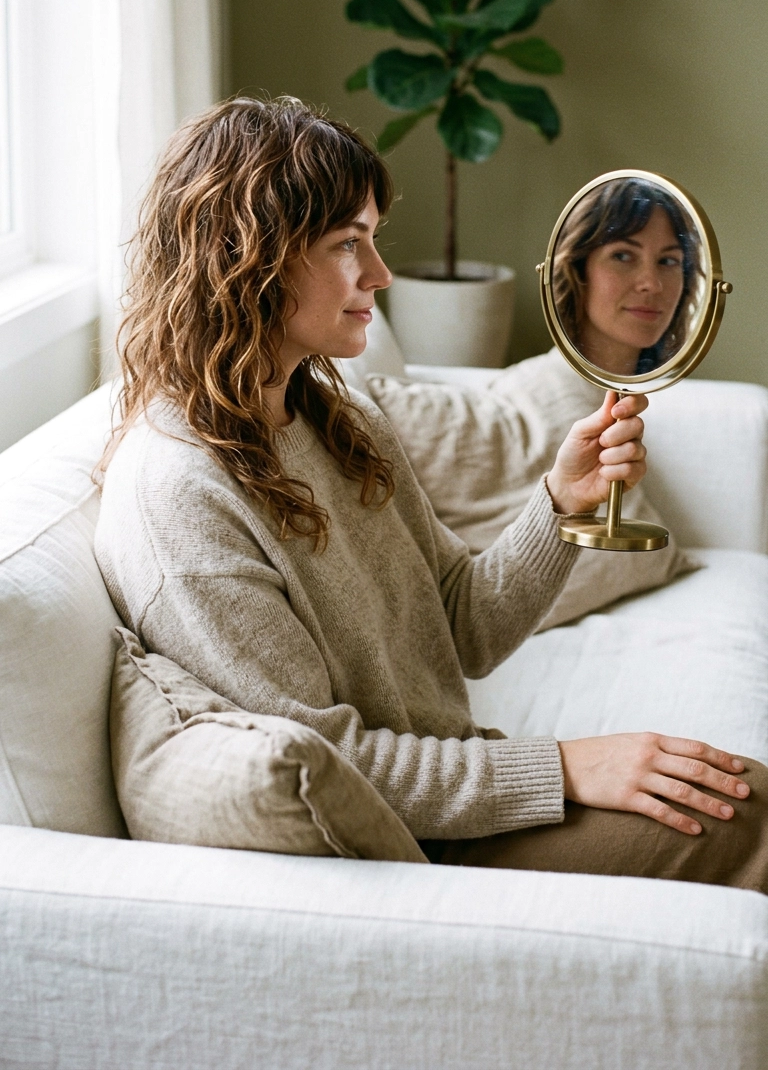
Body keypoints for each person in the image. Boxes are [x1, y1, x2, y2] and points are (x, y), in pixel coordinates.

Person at [95, 97, 768, 890]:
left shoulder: (337, 416)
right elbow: (331, 762)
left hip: (467, 788)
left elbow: (464, 627)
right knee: (746, 810)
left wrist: (559, 505)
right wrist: (557, 769)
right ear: (253, 257)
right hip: (423, 853)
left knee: (737, 788)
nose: (379, 274)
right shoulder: (180, 495)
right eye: (351, 244)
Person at [552, 178, 704, 376]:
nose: (651, 284)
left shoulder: (676, 398)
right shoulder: (517, 402)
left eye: (667, 261)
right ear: (578, 267)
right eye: (622, 256)